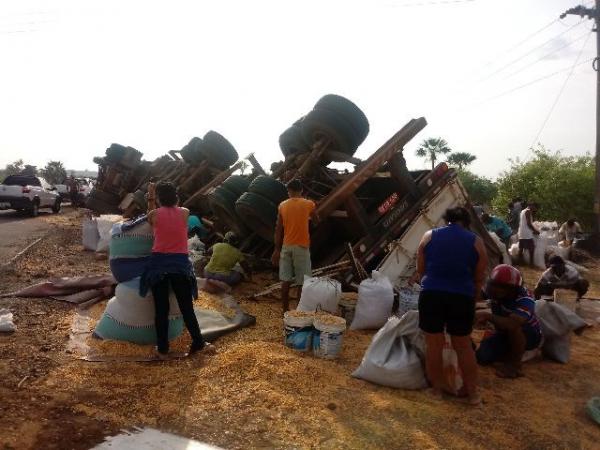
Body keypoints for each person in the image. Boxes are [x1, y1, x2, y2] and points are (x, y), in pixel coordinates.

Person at [413, 206, 488, 405]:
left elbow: (420, 270)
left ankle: (436, 390)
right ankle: (473, 394)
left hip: (432, 294)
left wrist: (432, 283)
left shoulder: (429, 236)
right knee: (463, 346)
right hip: (461, 297)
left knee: (434, 345)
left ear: (446, 220)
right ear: (467, 222)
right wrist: (471, 298)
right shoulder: (476, 242)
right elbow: (479, 277)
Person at [140, 181, 214, 359]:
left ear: (158, 199)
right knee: (187, 308)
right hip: (180, 266)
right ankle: (198, 342)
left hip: (159, 266)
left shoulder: (154, 214)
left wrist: (151, 196)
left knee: (161, 310)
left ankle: (163, 348)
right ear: (176, 197)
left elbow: (150, 215)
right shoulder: (185, 213)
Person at [476, 264, 542, 378]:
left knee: (514, 327)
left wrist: (487, 316)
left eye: (503, 287)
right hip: (504, 332)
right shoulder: (492, 290)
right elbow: (474, 295)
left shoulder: (525, 299)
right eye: (495, 285)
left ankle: (515, 365)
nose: (498, 290)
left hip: (529, 335)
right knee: (482, 357)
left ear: (514, 288)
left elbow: (512, 324)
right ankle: (516, 352)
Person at [271, 179, 318, 314]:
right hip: (301, 247)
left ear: (289, 191)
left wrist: (276, 249)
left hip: (286, 246)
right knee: (302, 282)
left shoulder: (282, 205)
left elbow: (278, 229)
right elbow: (316, 221)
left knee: (285, 280)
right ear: (301, 190)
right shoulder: (309, 203)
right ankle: (298, 311)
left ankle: (285, 310)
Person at [517, 202, 540, 267]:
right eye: (535, 207)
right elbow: (528, 223)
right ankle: (531, 263)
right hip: (527, 233)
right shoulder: (528, 211)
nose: (535, 209)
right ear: (531, 205)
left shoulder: (522, 211)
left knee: (521, 248)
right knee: (531, 248)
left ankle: (520, 263)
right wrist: (535, 230)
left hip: (521, 232)